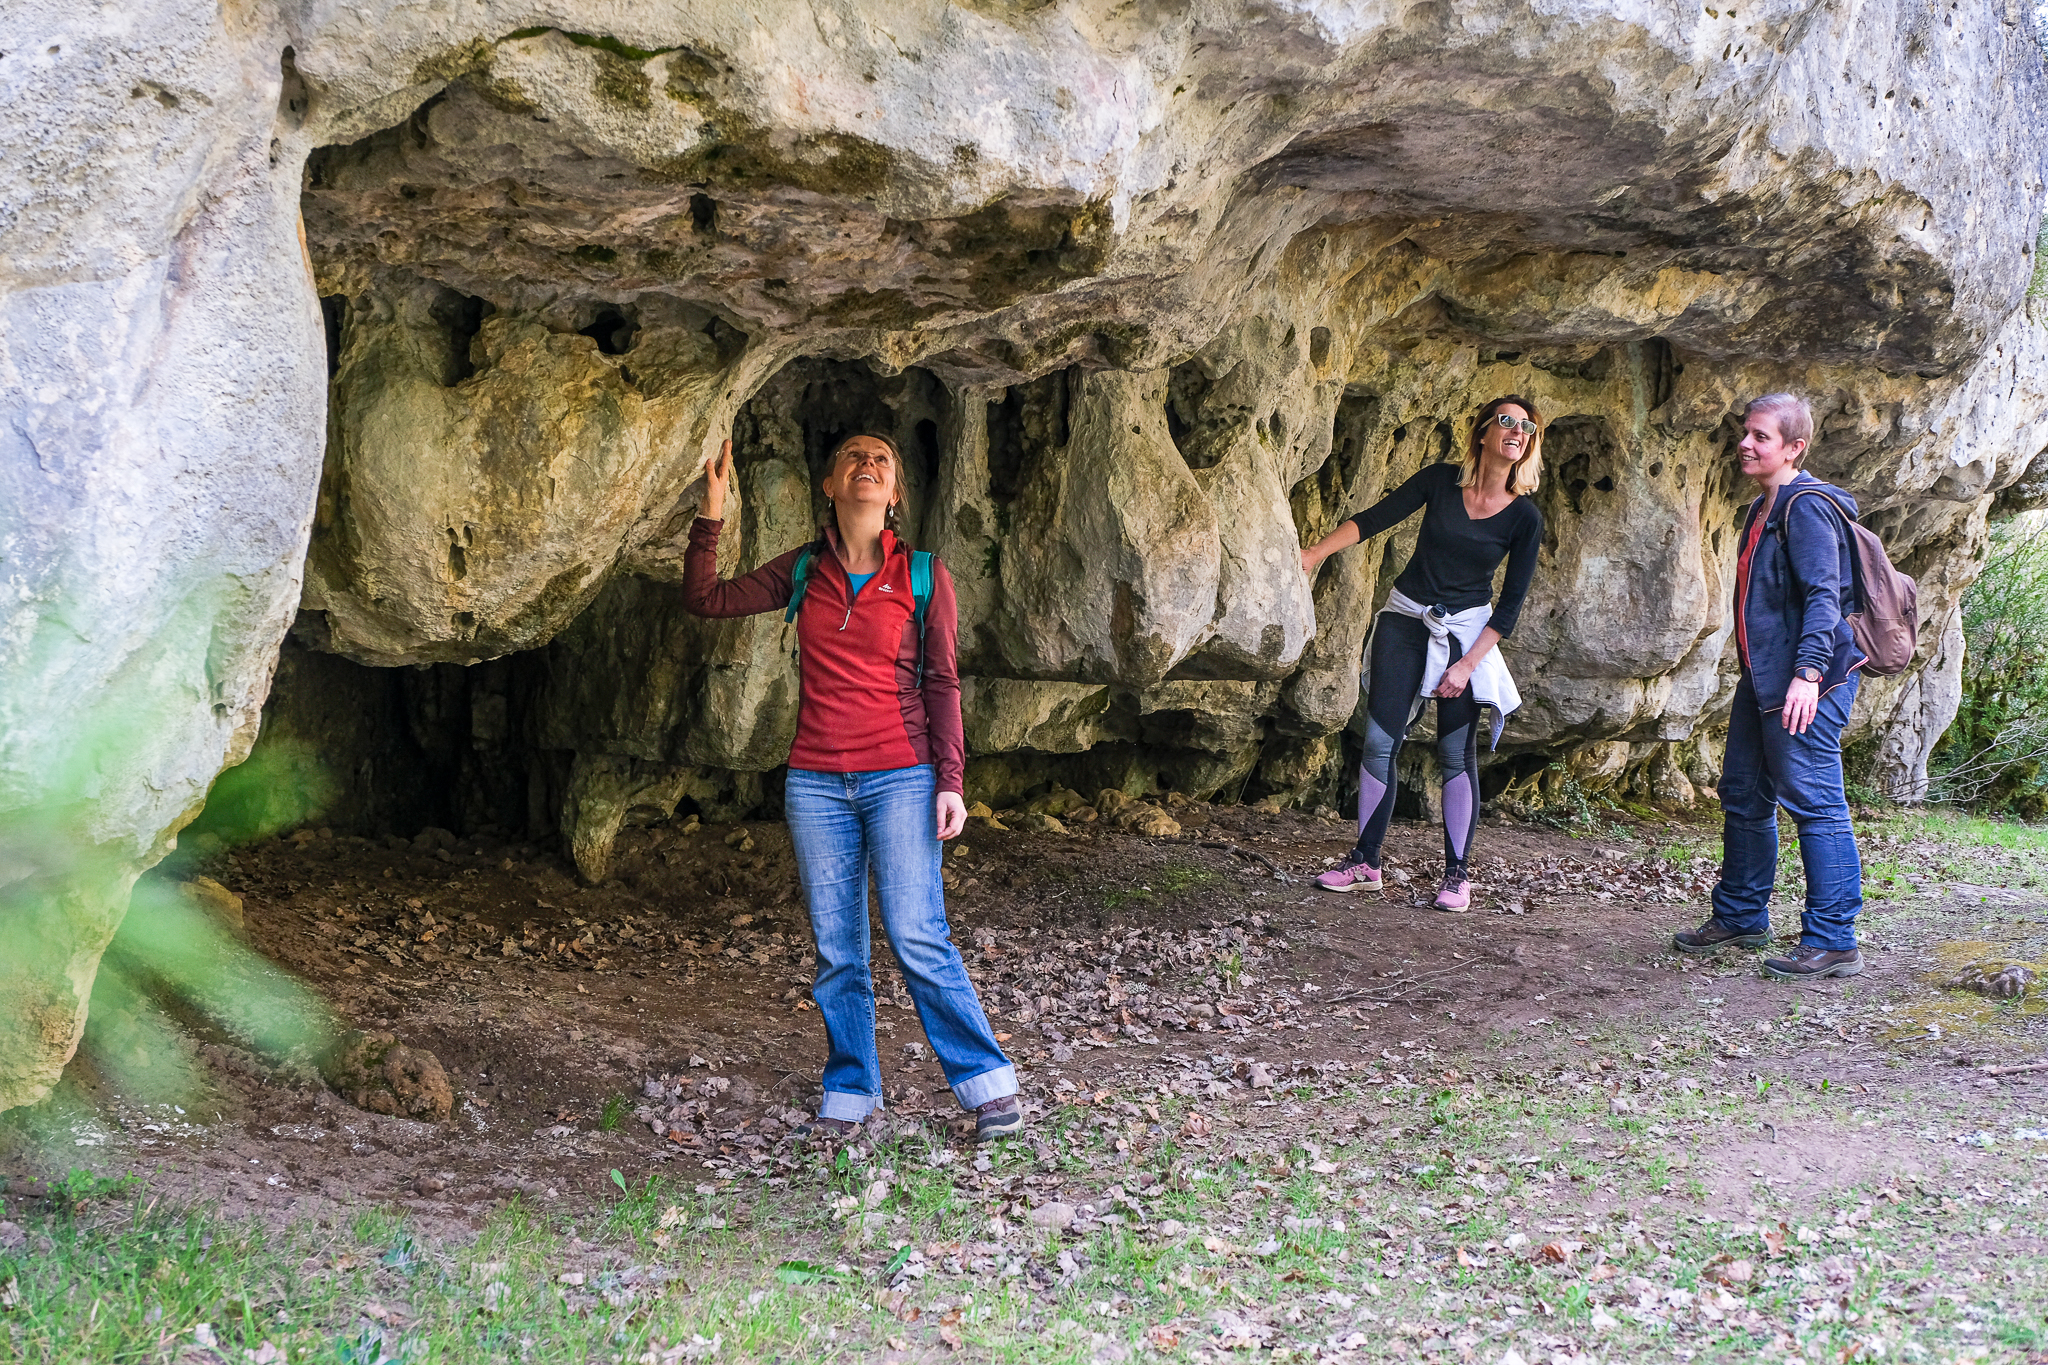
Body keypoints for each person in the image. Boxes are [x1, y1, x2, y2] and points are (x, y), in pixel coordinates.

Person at [682, 432, 1023, 1141]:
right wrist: (711, 514)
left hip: (901, 775)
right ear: (829, 486)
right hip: (814, 782)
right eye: (853, 458)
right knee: (837, 947)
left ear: (894, 494)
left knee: (916, 931)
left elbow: (943, 684)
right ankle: (851, 1087)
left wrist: (950, 780)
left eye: (883, 461)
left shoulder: (924, 575)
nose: (868, 466)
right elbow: (706, 597)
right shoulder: (804, 568)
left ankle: (988, 1086)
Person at [1300, 396, 1545, 911]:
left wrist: (1467, 665)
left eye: (1527, 427)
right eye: (1507, 421)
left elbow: (1511, 605)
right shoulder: (1440, 481)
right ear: (1483, 433)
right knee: (1378, 743)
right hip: (1405, 621)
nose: (1517, 431)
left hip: (1467, 636)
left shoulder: (1524, 517)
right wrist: (1316, 552)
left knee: (1455, 755)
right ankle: (1366, 863)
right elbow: (1375, 518)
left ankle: (1458, 876)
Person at [1674, 394, 1866, 979]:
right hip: (1765, 679)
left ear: (1794, 448)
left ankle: (1834, 938)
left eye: (1760, 436)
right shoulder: (1764, 508)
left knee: (1815, 805)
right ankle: (1741, 916)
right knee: (1743, 794)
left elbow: (1824, 598)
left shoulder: (1805, 507)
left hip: (1806, 681)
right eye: (1745, 434)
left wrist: (1808, 675)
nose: (1746, 444)